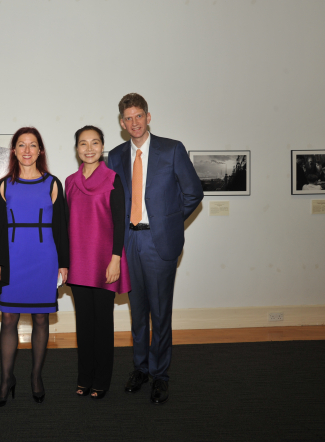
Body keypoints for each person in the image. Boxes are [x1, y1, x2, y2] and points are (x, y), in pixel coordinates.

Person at [107, 93, 203, 404]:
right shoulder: (116, 156)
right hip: (129, 241)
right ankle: (140, 368)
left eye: (139, 116)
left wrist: (169, 223)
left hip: (159, 241)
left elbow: (193, 193)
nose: (134, 122)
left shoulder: (172, 149)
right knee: (138, 313)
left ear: (148, 117)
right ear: (122, 123)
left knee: (160, 314)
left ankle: (160, 375)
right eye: (128, 118)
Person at [0, 127, 69, 408]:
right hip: (12, 257)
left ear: (40, 151)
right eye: (21, 145)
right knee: (8, 318)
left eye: (33, 145)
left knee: (41, 319)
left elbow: (62, 228)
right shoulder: (4, 185)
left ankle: (35, 377)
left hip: (45, 257)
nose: (27, 150)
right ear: (14, 150)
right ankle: (6, 379)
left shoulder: (53, 183)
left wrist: (64, 264)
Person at [65, 125, 131, 400]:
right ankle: (84, 377)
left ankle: (101, 380)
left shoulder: (113, 178)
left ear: (103, 147)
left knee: (103, 324)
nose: (89, 148)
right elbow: (64, 223)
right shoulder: (69, 181)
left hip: (106, 262)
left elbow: (120, 223)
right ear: (77, 148)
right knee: (84, 324)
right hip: (78, 261)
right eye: (83, 143)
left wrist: (116, 259)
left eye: (94, 143)